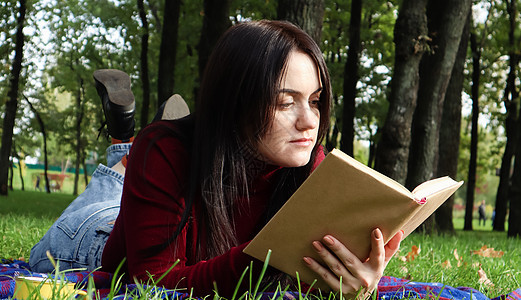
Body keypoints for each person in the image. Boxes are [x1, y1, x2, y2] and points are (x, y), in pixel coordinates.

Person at [31, 20, 402, 299]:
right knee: (117, 182)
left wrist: (350, 282)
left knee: (141, 171)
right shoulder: (166, 152)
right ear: (234, 104)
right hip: (89, 240)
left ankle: (135, 151)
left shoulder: (309, 163)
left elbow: (303, 279)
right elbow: (152, 284)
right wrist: (276, 250)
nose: (310, 121)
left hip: (164, 206)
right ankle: (125, 140)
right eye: (285, 102)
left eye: (316, 100)